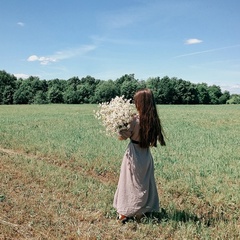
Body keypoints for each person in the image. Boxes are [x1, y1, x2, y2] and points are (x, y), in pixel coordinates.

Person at [113, 88, 166, 224]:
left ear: (140, 103)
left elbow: (122, 137)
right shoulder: (153, 121)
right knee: (144, 184)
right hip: (146, 155)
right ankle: (141, 212)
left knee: (129, 183)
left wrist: (119, 125)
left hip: (134, 154)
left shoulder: (134, 120)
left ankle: (125, 213)